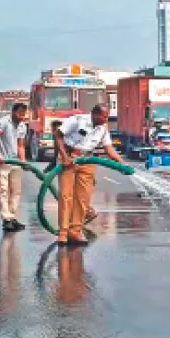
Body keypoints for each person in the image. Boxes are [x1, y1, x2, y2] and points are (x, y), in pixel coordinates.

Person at [54, 104, 126, 245]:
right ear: (95, 114)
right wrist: (64, 156)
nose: (106, 119)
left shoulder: (103, 129)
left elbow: (109, 149)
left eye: (107, 116)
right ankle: (63, 232)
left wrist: (121, 163)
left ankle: (75, 231)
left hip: (87, 160)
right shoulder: (77, 120)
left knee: (83, 198)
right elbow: (58, 134)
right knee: (66, 196)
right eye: (104, 116)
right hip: (68, 158)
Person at [44, 120, 98, 225]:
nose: (55, 132)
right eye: (54, 130)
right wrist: (48, 170)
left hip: (75, 168)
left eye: (57, 129)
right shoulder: (58, 139)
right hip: (64, 168)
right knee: (66, 196)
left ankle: (86, 213)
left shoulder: (71, 140)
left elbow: (85, 156)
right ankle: (73, 220)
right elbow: (56, 156)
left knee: (76, 195)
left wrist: (91, 177)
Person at [0, 103, 29, 232]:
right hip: (2, 161)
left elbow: (21, 145)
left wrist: (23, 161)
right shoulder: (2, 122)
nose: (21, 117)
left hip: (15, 162)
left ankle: (12, 216)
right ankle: (6, 219)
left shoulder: (23, 126)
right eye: (19, 114)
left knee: (16, 191)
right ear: (13, 112)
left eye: (23, 115)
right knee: (3, 190)